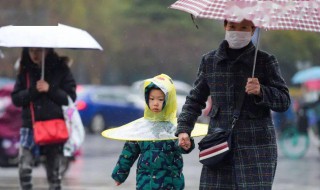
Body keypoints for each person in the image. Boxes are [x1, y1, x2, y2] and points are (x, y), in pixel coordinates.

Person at [176, 19, 291, 189]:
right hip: (219, 144)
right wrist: (184, 129)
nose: (237, 31)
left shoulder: (265, 61)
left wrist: (262, 91)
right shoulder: (210, 61)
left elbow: (284, 101)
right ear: (225, 27)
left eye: (243, 28)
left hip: (257, 149)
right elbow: (195, 99)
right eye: (232, 27)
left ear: (253, 30)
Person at [111, 74, 194, 190]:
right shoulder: (142, 128)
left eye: (160, 99)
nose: (155, 103)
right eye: (152, 99)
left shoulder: (174, 127)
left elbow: (182, 146)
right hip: (145, 182)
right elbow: (129, 151)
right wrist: (120, 174)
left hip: (170, 183)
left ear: (168, 101)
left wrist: (186, 144)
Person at [11, 47, 76, 190]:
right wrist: (33, 91)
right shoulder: (25, 69)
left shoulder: (60, 68)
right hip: (30, 125)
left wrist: (50, 89)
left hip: (53, 126)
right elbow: (16, 99)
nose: (34, 55)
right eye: (31, 51)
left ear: (47, 51)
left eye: (38, 50)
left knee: (54, 172)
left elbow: (70, 98)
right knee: (24, 168)